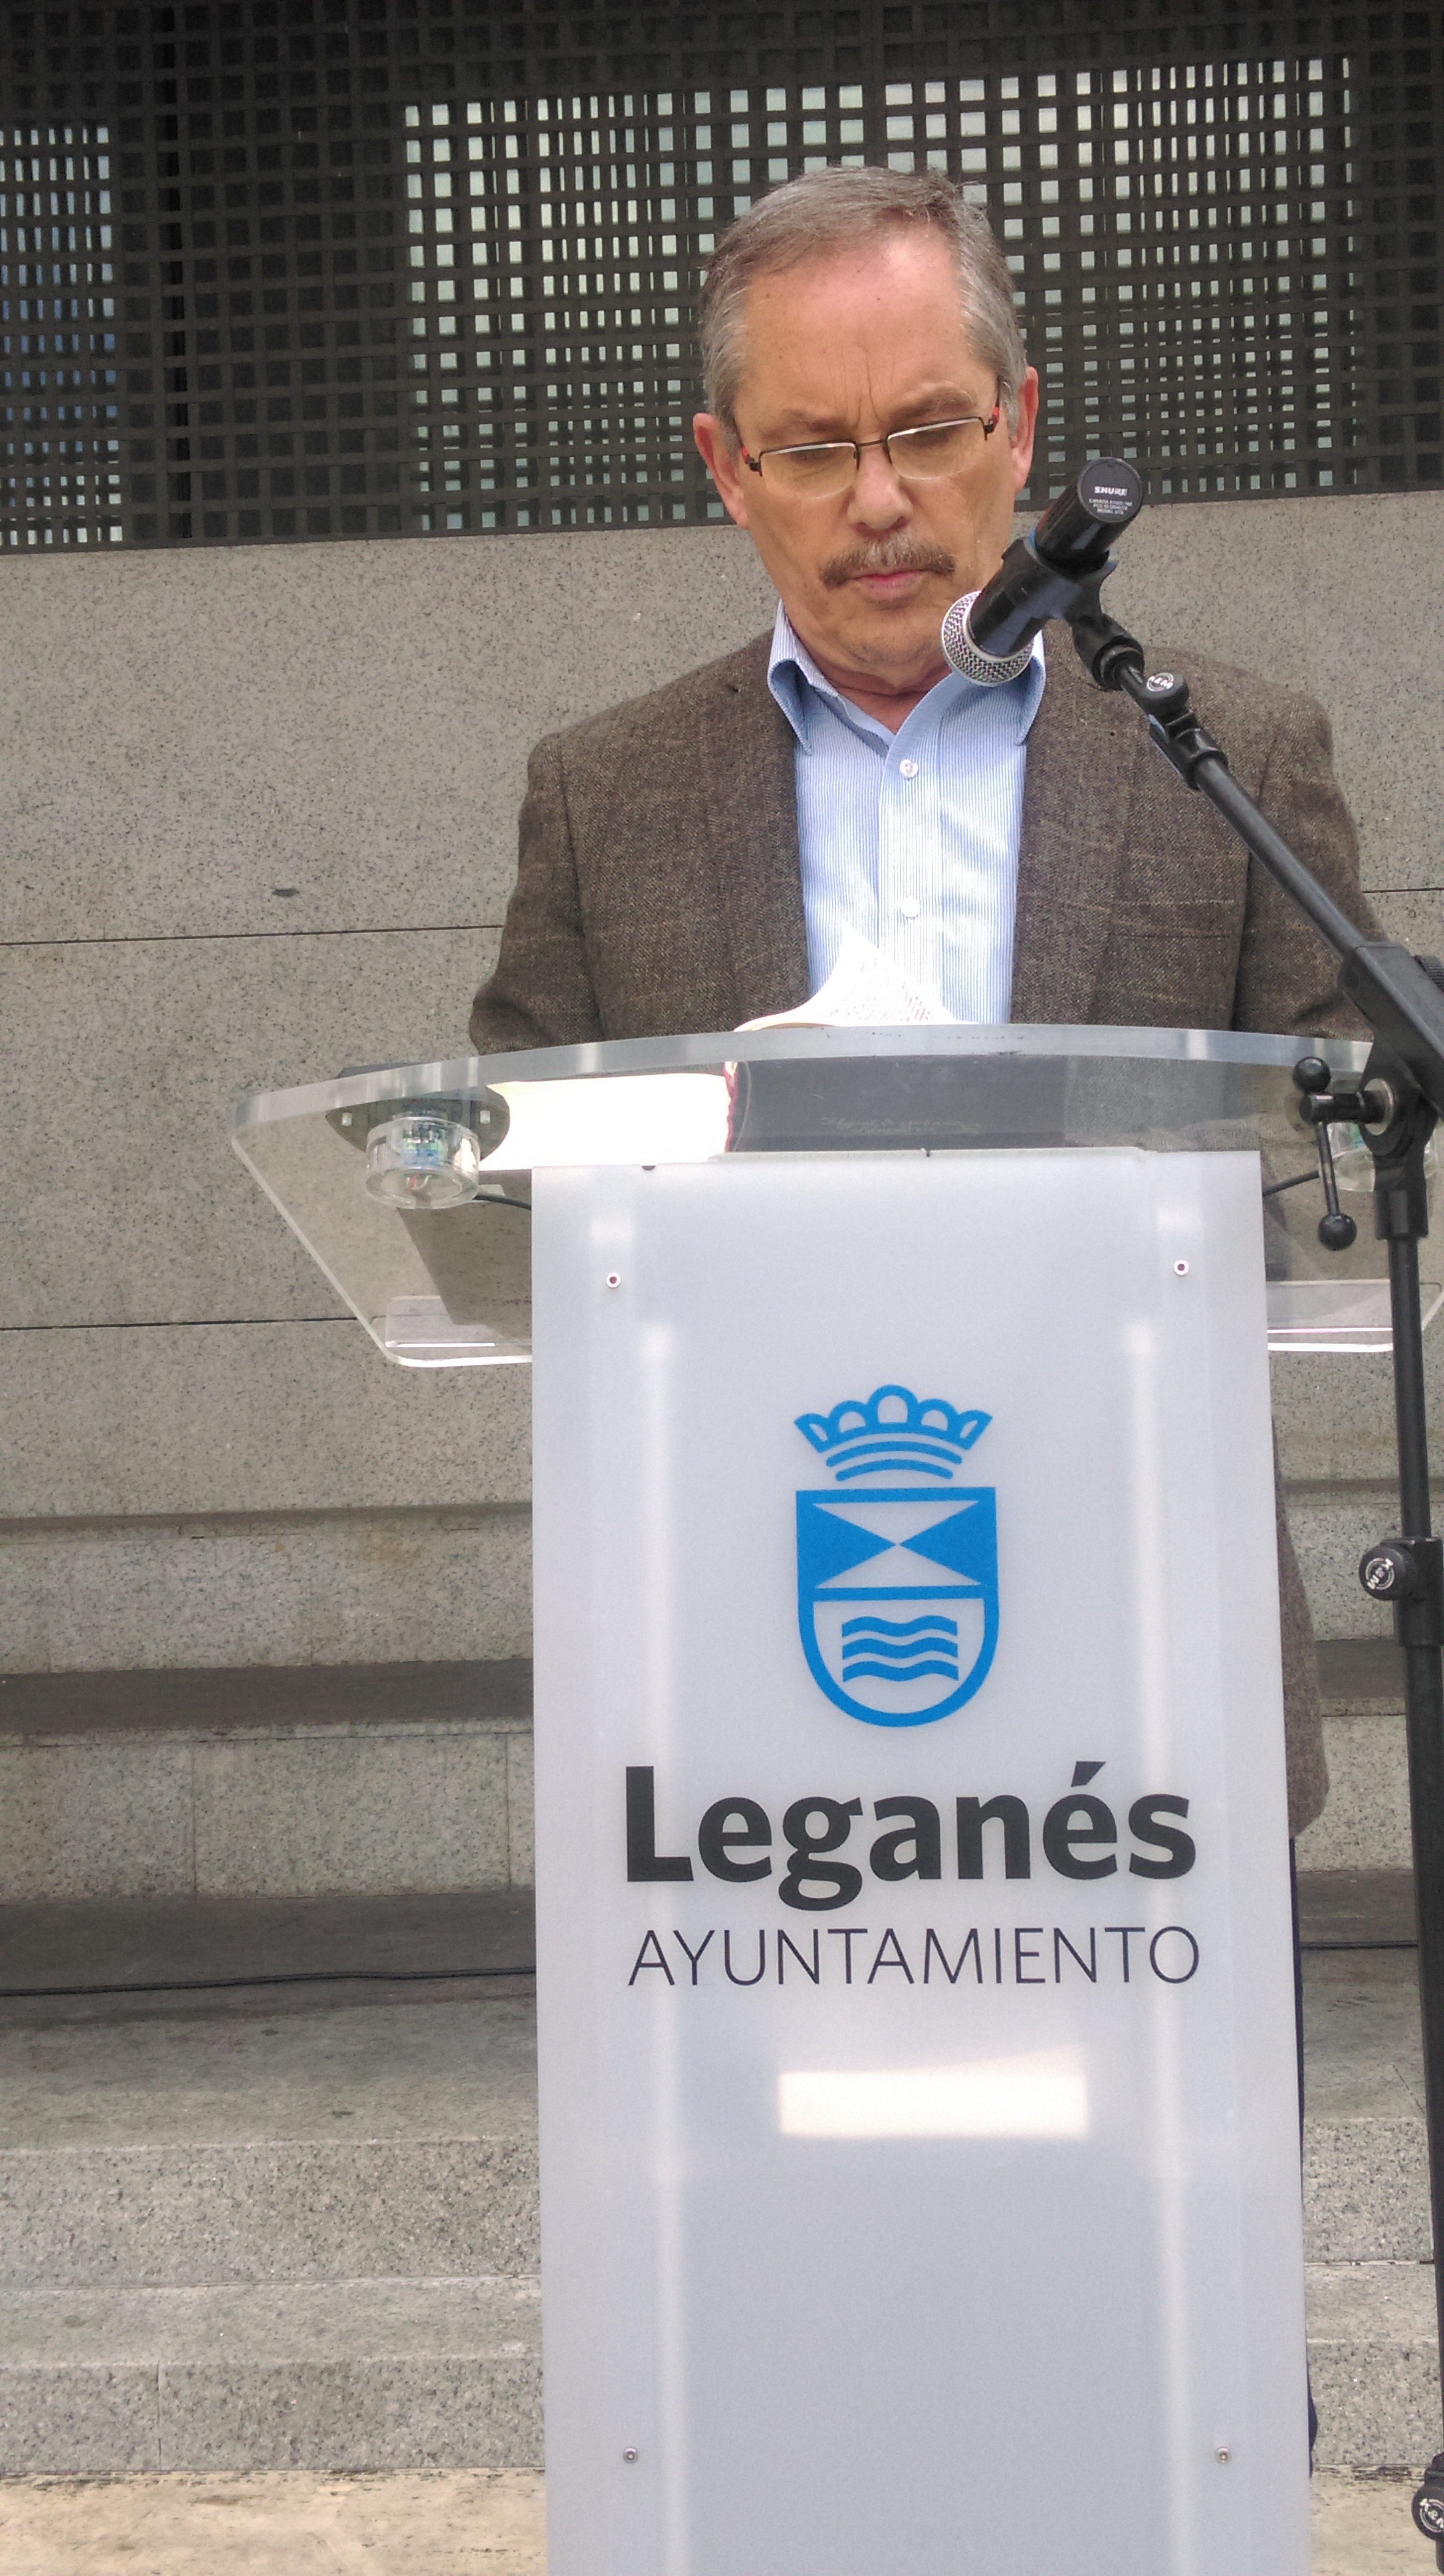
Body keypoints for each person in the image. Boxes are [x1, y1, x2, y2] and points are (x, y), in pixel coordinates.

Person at [470, 164, 1377, 1849]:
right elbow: (508, 1187)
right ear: (727, 473)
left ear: (1023, 430)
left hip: (1147, 1654)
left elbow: (1343, 1168)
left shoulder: (1227, 756)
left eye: (931, 430)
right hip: (735, 1697)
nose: (879, 498)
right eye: (813, 448)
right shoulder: (605, 794)